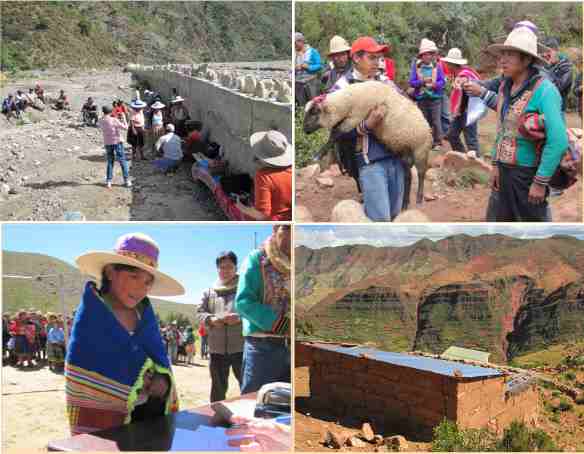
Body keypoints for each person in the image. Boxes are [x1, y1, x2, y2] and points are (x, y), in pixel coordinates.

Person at [66, 232, 184, 435]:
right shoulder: (92, 315)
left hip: (148, 411)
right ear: (111, 272)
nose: (141, 288)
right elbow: (85, 364)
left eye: (148, 282)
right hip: (106, 420)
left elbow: (159, 359)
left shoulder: (145, 316)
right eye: (134, 276)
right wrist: (136, 378)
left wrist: (163, 379)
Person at [481, 27, 568, 221]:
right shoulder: (505, 86)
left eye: (510, 55)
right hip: (504, 173)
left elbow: (559, 140)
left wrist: (540, 182)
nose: (502, 60)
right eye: (502, 54)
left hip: (527, 176)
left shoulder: (545, 90)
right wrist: (496, 164)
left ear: (527, 60)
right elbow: (502, 129)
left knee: (532, 234)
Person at [329, 36, 406, 221]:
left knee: (395, 215)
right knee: (380, 220)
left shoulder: (385, 81)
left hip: (397, 158)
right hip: (371, 161)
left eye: (379, 58)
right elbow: (336, 132)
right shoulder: (341, 89)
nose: (377, 63)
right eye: (372, 58)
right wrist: (366, 126)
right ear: (356, 58)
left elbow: (405, 105)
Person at [235, 225, 291, 394]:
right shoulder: (256, 259)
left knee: (285, 405)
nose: (291, 235)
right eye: (286, 228)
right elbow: (244, 302)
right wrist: (281, 324)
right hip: (262, 347)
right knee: (256, 403)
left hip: (291, 347)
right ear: (275, 230)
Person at [197, 251, 244, 402]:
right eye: (222, 267)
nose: (225, 270)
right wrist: (210, 319)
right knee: (217, 389)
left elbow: (252, 310)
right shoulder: (209, 291)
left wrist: (240, 318)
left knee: (248, 386)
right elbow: (199, 313)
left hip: (241, 348)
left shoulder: (245, 288)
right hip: (216, 349)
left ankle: (252, 420)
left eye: (230, 267)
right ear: (217, 269)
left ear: (236, 268)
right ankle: (217, 417)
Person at [442, 48, 481, 157]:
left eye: (448, 63)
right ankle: (462, 158)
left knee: (471, 140)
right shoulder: (464, 73)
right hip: (462, 111)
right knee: (452, 135)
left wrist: (457, 109)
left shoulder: (463, 75)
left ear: (451, 64)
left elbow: (462, 94)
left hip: (468, 111)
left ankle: (477, 166)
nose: (446, 65)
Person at [246, 130, 292, 221]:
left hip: (277, 219)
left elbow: (262, 215)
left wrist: (241, 207)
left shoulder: (264, 177)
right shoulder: (291, 168)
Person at [409, 38, 446, 149]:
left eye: (431, 54)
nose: (428, 56)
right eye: (426, 54)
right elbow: (411, 82)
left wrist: (434, 85)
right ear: (422, 55)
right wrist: (422, 82)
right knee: (424, 121)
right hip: (421, 98)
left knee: (436, 120)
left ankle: (438, 142)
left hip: (435, 98)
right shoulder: (416, 67)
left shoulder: (437, 66)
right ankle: (426, 141)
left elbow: (442, 81)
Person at [98, 105, 131, 189]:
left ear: (103, 111)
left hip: (107, 143)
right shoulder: (114, 120)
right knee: (122, 161)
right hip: (117, 142)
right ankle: (126, 180)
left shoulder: (101, 120)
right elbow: (126, 128)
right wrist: (123, 118)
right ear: (111, 112)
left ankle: (109, 181)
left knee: (110, 161)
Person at [542, 37, 574, 112]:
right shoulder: (545, 65)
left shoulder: (566, 67)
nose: (545, 55)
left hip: (558, 109)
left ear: (556, 51)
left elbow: (558, 87)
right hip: (543, 108)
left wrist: (545, 70)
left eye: (548, 52)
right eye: (544, 52)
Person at [295, 32, 322, 105]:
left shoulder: (313, 51)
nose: (294, 45)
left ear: (301, 41)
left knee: (314, 104)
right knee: (302, 104)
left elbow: (319, 65)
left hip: (311, 82)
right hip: (299, 83)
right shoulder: (296, 54)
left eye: (295, 43)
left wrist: (309, 67)